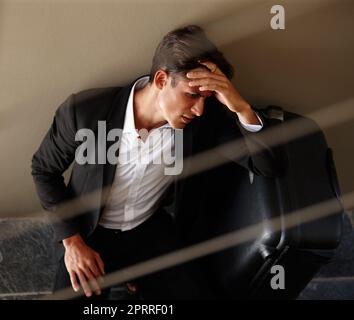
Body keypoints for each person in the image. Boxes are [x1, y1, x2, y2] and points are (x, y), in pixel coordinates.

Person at [31, 25, 286, 299]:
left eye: (206, 97)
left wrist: (241, 108)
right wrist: (72, 242)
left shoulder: (202, 122)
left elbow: (268, 165)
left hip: (149, 231)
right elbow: (44, 170)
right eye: (191, 95)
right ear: (162, 79)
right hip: (91, 233)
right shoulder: (85, 111)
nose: (199, 109)